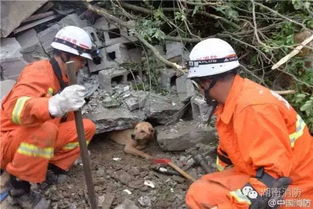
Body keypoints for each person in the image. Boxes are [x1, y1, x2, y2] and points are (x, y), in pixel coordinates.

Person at [185, 38, 313, 209]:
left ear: (207, 81)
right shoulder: (235, 100)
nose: (199, 89)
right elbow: (229, 154)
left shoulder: (252, 109)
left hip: (296, 192)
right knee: (200, 193)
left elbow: (272, 181)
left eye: (198, 83)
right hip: (276, 180)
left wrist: (230, 205)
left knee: (207, 199)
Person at [0, 26, 97, 209]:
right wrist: (54, 105)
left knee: (87, 127)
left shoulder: (65, 79)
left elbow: (65, 123)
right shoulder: (38, 72)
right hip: (7, 142)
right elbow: (15, 108)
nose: (83, 65)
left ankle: (50, 170)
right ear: (65, 55)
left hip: (27, 141)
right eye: (81, 59)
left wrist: (64, 105)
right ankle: (19, 188)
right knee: (45, 128)